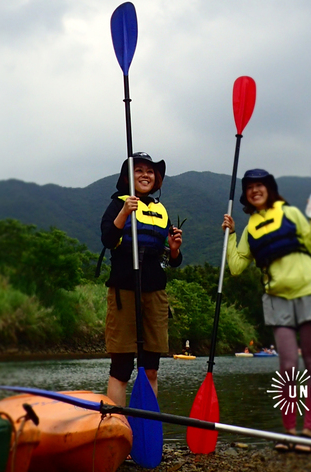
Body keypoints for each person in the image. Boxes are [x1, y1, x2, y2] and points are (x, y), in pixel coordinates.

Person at [221, 168, 311, 453]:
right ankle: (289, 431)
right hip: (276, 297)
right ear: (246, 195)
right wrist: (230, 235)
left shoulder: (290, 213)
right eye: (250, 187)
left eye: (260, 185)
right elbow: (235, 267)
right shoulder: (249, 228)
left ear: (269, 188)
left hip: (308, 291)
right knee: (288, 365)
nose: (255, 190)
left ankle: (309, 431)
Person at [101, 152, 183, 407]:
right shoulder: (118, 204)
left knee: (150, 369)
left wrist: (174, 249)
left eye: (150, 172)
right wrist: (125, 212)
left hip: (154, 291)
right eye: (139, 171)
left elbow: (174, 261)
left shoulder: (161, 210)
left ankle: (144, 433)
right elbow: (107, 239)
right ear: (128, 178)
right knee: (122, 368)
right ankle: (117, 430)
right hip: (124, 290)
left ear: (156, 179)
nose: (145, 175)